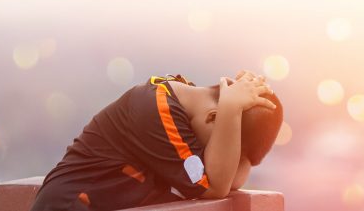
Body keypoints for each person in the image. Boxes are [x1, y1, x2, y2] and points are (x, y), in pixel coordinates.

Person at [29, 69, 283, 211]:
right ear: (214, 116)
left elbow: (231, 179)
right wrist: (231, 109)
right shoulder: (158, 109)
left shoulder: (184, 107)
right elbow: (213, 187)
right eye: (221, 139)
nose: (214, 152)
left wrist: (234, 108)